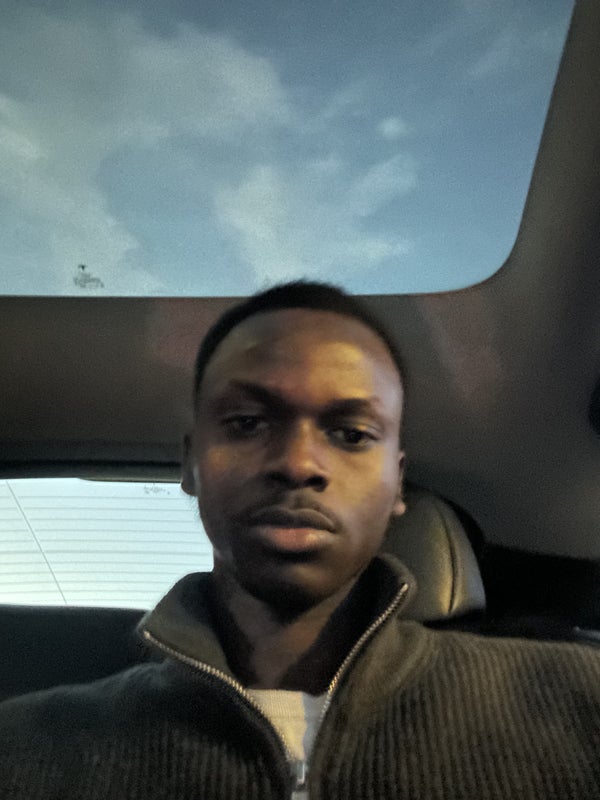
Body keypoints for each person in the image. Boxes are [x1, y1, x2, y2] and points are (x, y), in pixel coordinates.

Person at [1, 280, 599, 800]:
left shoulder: (581, 701)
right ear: (190, 465)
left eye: (351, 433)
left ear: (397, 483)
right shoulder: (27, 750)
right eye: (246, 423)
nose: (297, 463)